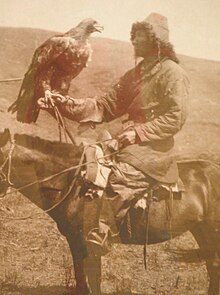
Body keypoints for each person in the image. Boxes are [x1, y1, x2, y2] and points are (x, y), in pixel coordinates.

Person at [38, 13, 190, 253]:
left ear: (157, 41)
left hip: (154, 150)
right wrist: (63, 103)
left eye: (142, 36)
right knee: (88, 163)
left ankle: (103, 231)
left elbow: (175, 117)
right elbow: (105, 105)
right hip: (129, 143)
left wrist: (139, 133)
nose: (135, 41)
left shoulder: (173, 73)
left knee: (118, 177)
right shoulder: (137, 74)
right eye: (135, 35)